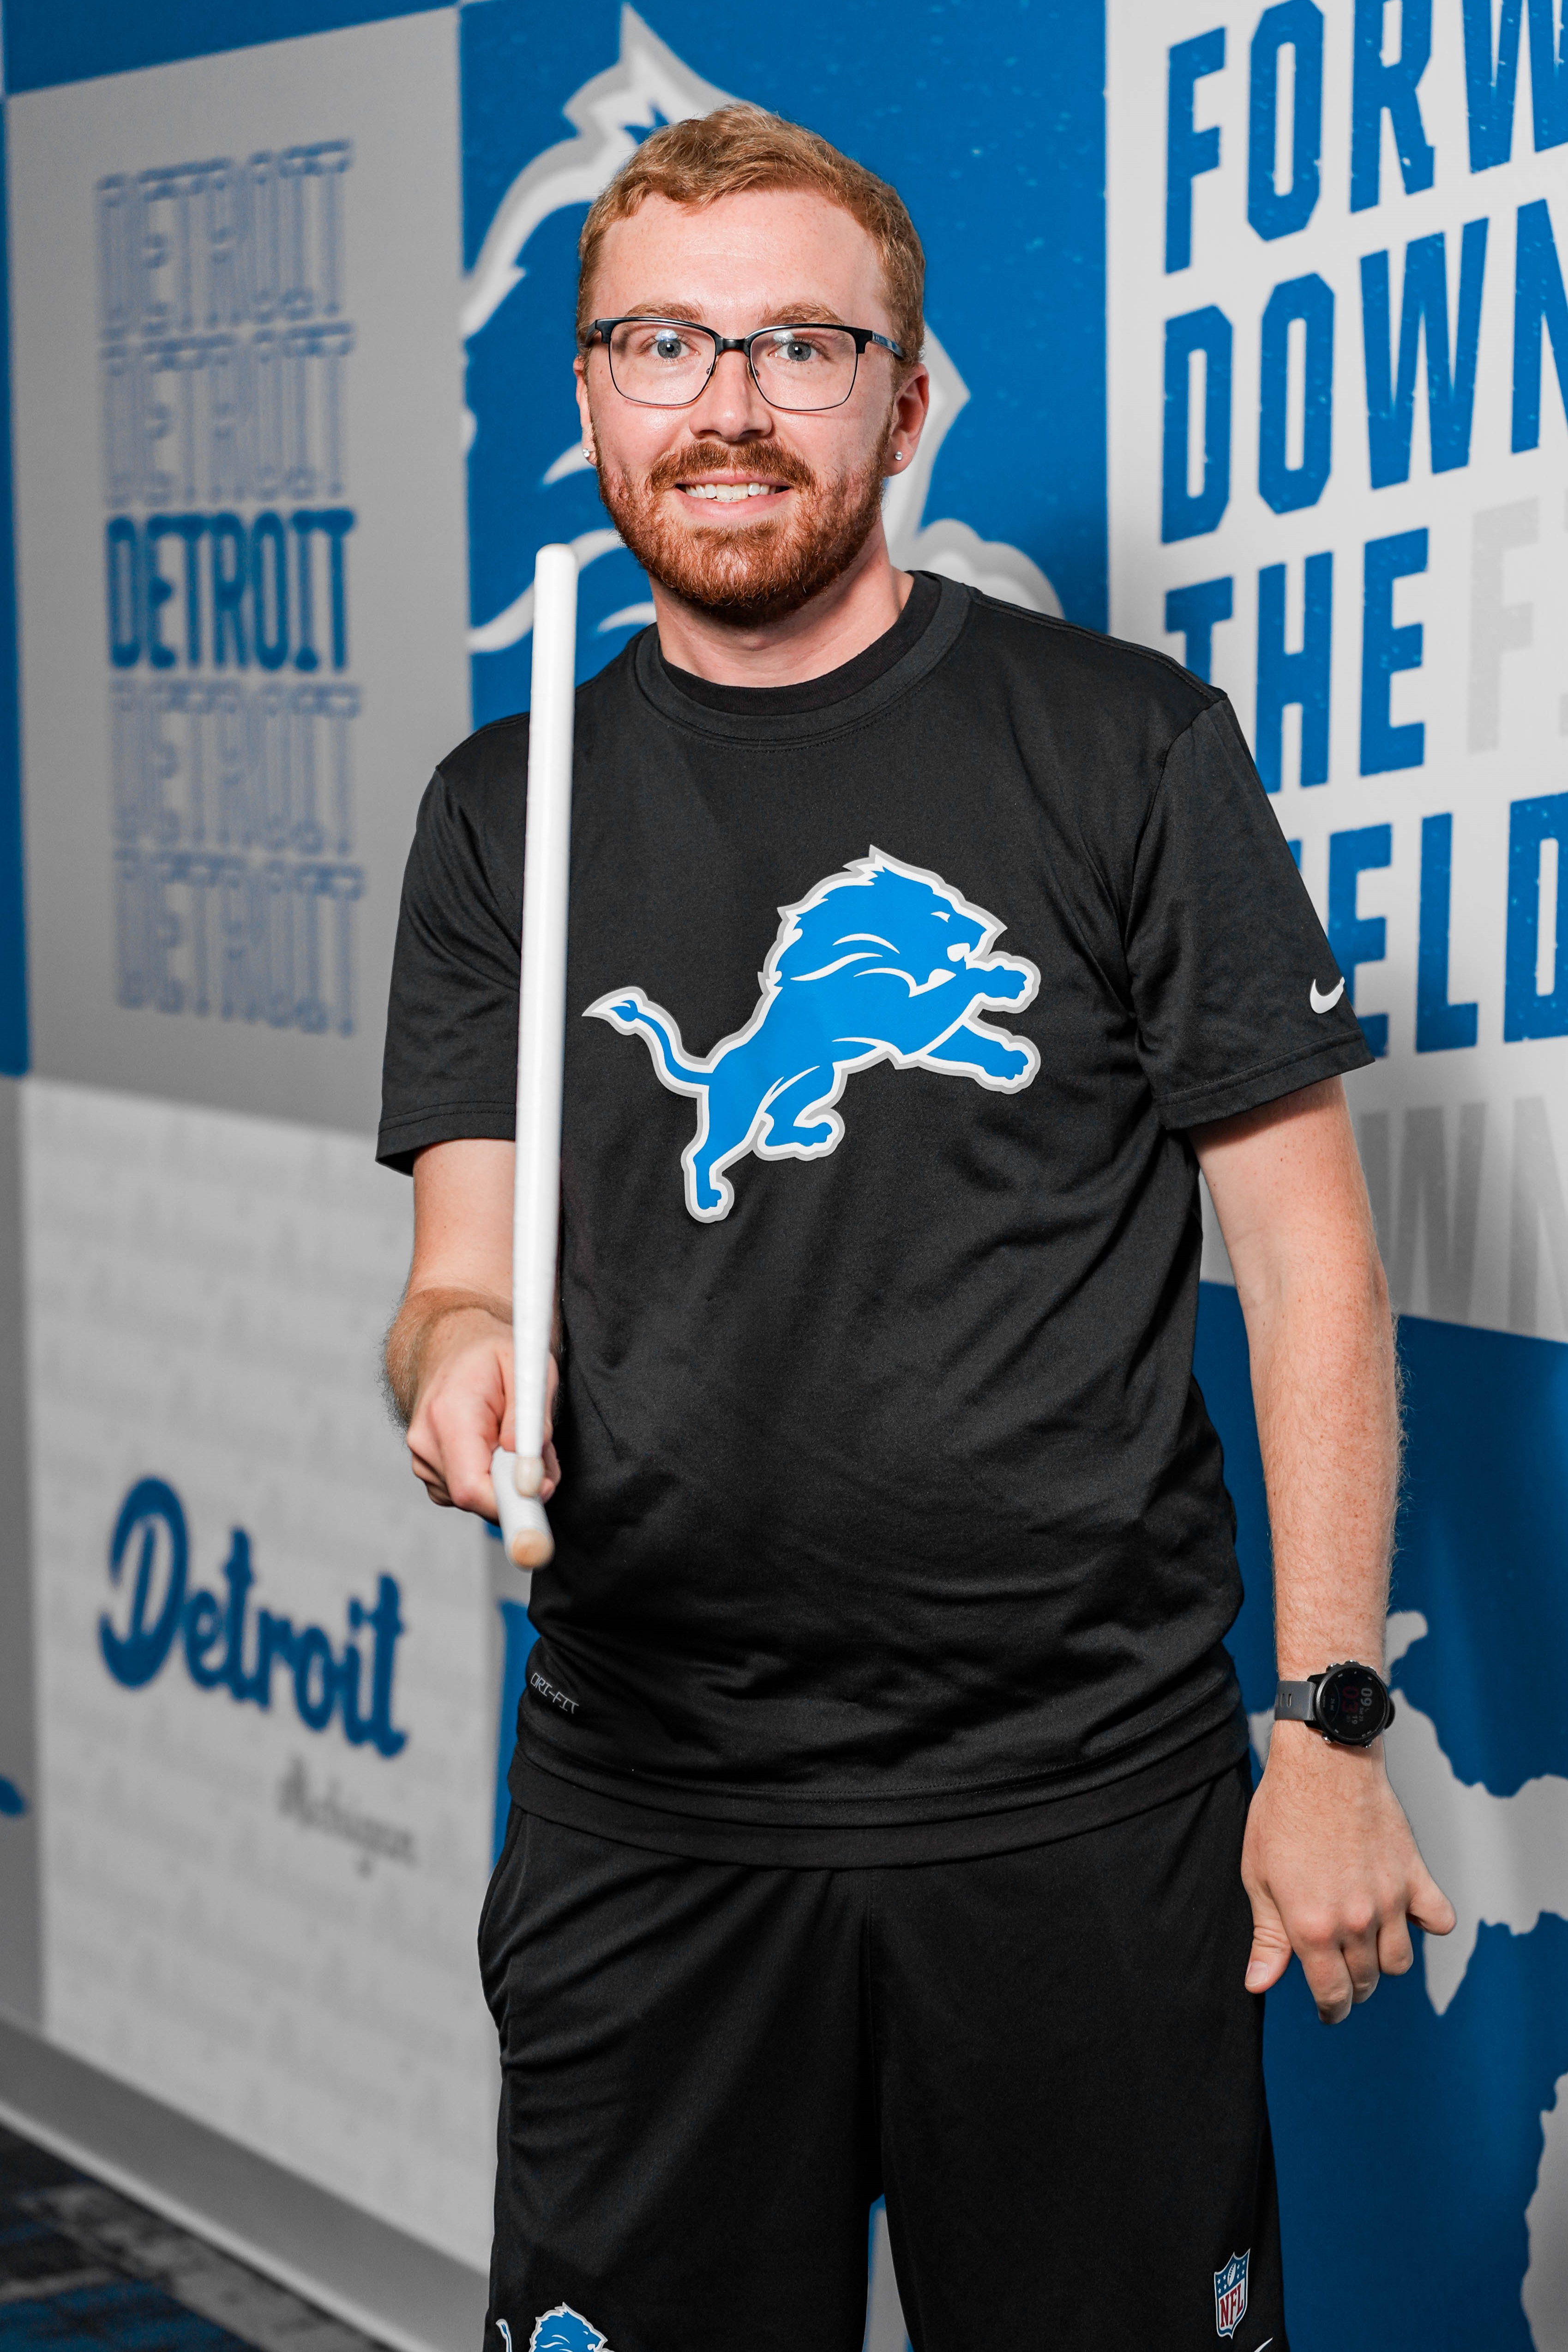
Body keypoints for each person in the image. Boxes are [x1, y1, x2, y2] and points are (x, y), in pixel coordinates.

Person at [379, 103, 1453, 2352]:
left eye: (801, 344)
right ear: (587, 397)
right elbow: (458, 1275)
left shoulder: (1124, 749)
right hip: (650, 1810)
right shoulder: (507, 816)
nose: (732, 406)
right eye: (663, 346)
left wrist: (1331, 1726)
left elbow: (1314, 1265)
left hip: (1080, 1805)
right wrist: (458, 1369)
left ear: (910, 394)